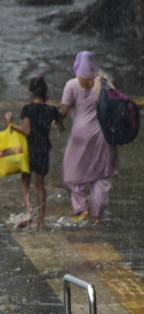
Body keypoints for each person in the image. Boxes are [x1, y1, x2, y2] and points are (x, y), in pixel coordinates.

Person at [59, 51, 118, 226]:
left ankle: (82, 210)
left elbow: (63, 111)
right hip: (102, 136)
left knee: (74, 171)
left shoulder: (72, 85)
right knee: (101, 175)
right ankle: (96, 216)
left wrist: (57, 121)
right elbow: (115, 102)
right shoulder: (103, 82)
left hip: (80, 135)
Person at [4, 75, 64, 230]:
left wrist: (11, 124)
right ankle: (41, 221)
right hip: (44, 149)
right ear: (45, 94)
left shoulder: (28, 109)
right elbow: (60, 127)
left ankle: (29, 213)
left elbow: (27, 131)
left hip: (30, 149)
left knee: (25, 180)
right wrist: (56, 124)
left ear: (31, 93)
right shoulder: (51, 110)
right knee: (40, 183)